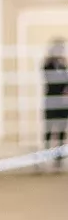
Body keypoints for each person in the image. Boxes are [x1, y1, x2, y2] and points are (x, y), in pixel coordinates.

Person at [44, 38, 67, 170]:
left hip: (62, 102)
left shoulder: (64, 64)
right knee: (49, 128)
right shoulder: (48, 64)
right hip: (51, 100)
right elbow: (50, 79)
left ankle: (59, 156)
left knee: (61, 129)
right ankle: (45, 153)